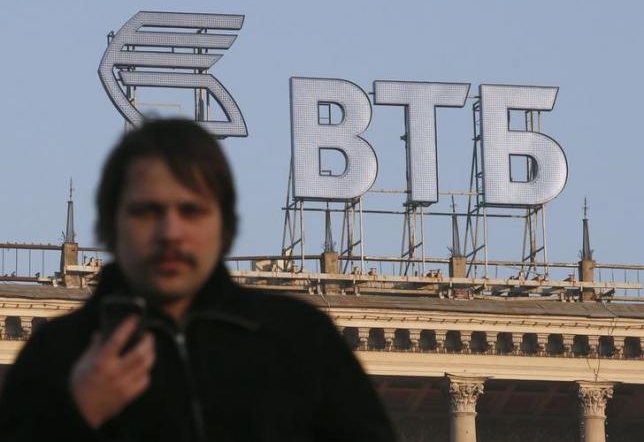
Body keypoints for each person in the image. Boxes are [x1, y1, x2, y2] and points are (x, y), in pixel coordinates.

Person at [0, 119, 395, 441]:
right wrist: (75, 414)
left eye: (191, 211)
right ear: (109, 224)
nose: (170, 232)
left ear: (224, 227)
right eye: (146, 211)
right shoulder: (56, 357)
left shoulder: (299, 341)